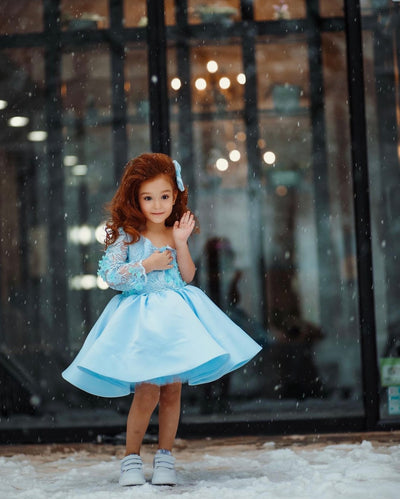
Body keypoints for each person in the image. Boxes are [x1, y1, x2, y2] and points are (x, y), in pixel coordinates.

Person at [62, 153, 262, 487]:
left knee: (172, 391)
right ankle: (131, 458)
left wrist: (181, 243)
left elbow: (187, 276)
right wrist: (146, 265)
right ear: (135, 199)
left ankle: (165, 456)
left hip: (175, 320)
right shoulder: (128, 236)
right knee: (147, 392)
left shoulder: (174, 233)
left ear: (175, 197)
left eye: (165, 197)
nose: (157, 205)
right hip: (141, 321)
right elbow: (112, 276)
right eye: (148, 197)